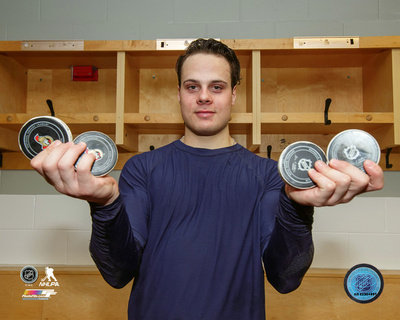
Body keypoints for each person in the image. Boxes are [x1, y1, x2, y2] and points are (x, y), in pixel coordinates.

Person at [30, 38, 384, 320]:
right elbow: (117, 272)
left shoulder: (267, 175)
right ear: (179, 94)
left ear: (233, 96)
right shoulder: (142, 169)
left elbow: (286, 278)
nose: (203, 96)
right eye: (191, 86)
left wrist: (297, 210)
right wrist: (104, 205)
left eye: (216, 86)